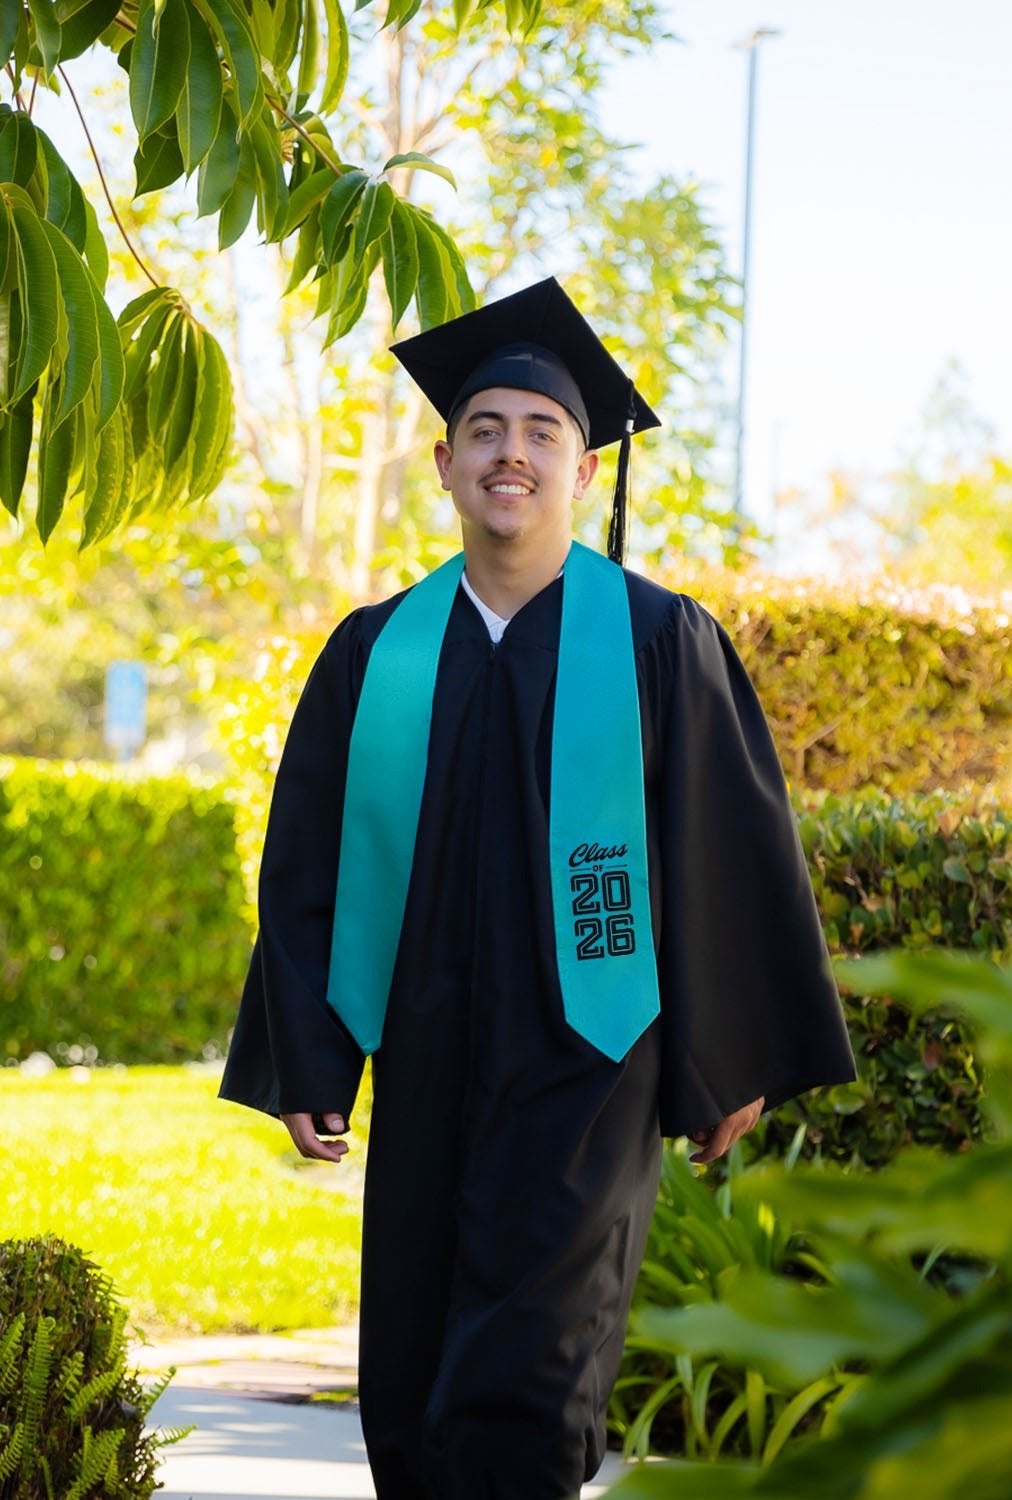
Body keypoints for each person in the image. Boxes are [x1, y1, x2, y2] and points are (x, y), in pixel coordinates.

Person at [219, 277, 857, 1499]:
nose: (511, 455)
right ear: (448, 464)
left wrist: (729, 1058)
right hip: (423, 1059)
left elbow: (726, 852)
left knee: (527, 1385)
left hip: (589, 1064)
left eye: (541, 433)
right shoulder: (376, 651)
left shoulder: (661, 641)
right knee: (409, 1377)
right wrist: (313, 1055)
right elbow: (308, 861)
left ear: (580, 464)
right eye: (485, 432)